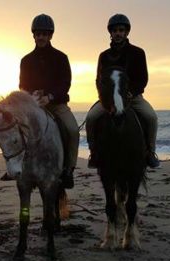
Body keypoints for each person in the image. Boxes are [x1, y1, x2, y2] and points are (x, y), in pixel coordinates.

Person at [85, 13, 160, 169]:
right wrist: (104, 99)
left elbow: (143, 78)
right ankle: (94, 153)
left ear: (126, 32)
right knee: (91, 118)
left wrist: (131, 92)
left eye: (121, 30)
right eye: (115, 31)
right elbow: (99, 81)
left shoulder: (138, 53)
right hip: (110, 99)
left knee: (151, 117)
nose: (118, 33)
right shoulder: (104, 56)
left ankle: (150, 153)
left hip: (133, 97)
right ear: (110, 33)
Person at [17, 13, 80, 189]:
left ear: (51, 35)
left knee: (73, 131)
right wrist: (32, 95)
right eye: (38, 34)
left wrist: (50, 97)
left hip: (57, 104)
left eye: (45, 34)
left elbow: (65, 83)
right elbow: (23, 85)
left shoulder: (61, 57)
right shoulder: (26, 60)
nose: (41, 37)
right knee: (17, 131)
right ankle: (17, 166)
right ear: (34, 35)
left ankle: (68, 169)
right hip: (34, 107)